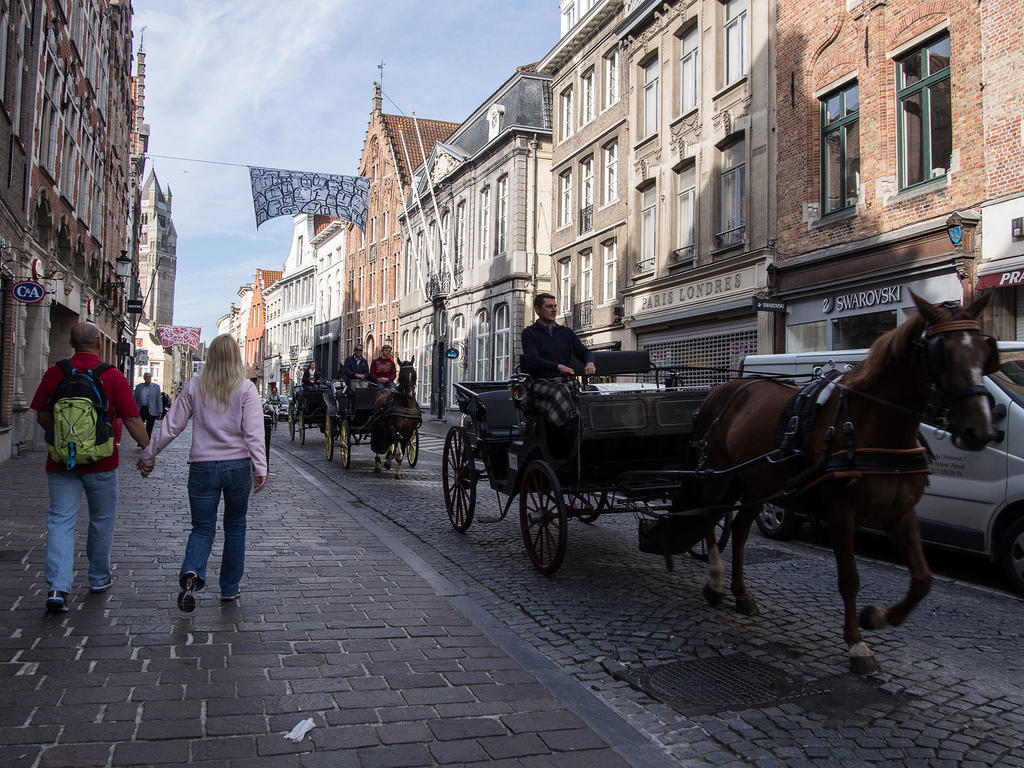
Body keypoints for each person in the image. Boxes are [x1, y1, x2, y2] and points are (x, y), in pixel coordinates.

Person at [137, 333, 268, 611]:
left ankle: (192, 573)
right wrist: (260, 467)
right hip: (236, 465)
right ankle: (229, 588)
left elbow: (172, 425)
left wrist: (149, 454)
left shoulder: (195, 386)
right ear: (236, 358)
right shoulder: (246, 389)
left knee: (202, 527)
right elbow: (254, 433)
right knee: (235, 526)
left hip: (203, 467)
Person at [31, 321, 151, 613]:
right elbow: (133, 419)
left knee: (60, 520)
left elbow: (43, 416)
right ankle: (98, 577)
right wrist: (148, 450)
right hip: (102, 462)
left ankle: (58, 587)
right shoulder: (111, 375)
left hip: (61, 464)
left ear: (72, 344)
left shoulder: (55, 372)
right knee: (101, 519)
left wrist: (65, 440)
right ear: (99, 343)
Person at [522, 293, 596, 378]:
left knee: (592, 391)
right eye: (549, 306)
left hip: (566, 380)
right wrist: (558, 367)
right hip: (542, 381)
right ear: (537, 309)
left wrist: (590, 362)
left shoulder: (566, 332)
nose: (554, 310)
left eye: (555, 306)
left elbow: (584, 352)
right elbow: (533, 361)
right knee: (561, 391)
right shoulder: (529, 333)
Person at [133, 372, 163, 436]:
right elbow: (134, 399)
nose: (148, 378)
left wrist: (160, 410)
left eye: (149, 377)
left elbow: (158, 399)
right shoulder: (139, 387)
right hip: (141, 408)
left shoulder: (156, 387)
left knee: (149, 427)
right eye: (146, 377)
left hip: (152, 409)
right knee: (139, 426)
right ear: (144, 378)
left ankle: (147, 440)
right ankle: (141, 439)